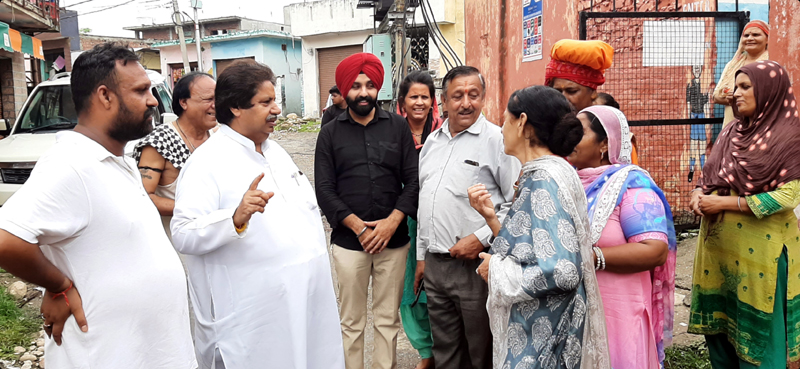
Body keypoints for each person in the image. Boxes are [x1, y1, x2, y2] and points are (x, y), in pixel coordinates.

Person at [0, 42, 196, 368]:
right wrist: (59, 286)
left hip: (150, 354)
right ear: (105, 96)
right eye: (141, 90)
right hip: (107, 355)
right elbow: (6, 239)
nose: (152, 100)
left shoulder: (118, 160)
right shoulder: (71, 164)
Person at [171, 60, 344, 369]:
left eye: (275, 100)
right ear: (236, 107)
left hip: (304, 310)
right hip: (252, 326)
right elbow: (183, 232)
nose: (276, 109)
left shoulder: (275, 151)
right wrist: (233, 219)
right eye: (266, 102)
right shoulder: (207, 162)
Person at [467, 85, 610, 369]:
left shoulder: (544, 178)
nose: (502, 129)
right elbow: (536, 249)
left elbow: (563, 271)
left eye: (505, 120)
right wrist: (492, 220)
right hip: (544, 326)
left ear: (521, 123)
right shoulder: (553, 171)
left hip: (544, 334)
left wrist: (496, 270)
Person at [689, 61, 800, 368]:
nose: (735, 93)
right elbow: (708, 177)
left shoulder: (789, 137)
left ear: (768, 91)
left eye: (745, 87)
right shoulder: (730, 133)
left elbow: (790, 196)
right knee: (722, 339)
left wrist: (724, 205)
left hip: (761, 257)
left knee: (759, 341)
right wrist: (698, 193)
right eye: (736, 86)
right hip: (718, 255)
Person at [315, 52, 419, 369]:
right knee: (351, 323)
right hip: (349, 244)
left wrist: (391, 224)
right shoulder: (330, 133)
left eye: (370, 85)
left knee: (387, 321)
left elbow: (413, 181)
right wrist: (359, 227)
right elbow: (324, 190)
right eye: (357, 85)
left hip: (394, 242)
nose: (363, 92)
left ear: (378, 89)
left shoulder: (398, 128)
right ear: (345, 89)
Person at [415, 66, 521, 369]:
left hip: (477, 266)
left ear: (483, 98)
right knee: (445, 348)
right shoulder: (431, 143)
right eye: (457, 96)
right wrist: (423, 256)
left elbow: (515, 203)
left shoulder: (498, 141)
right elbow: (426, 202)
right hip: (436, 265)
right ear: (443, 101)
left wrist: (480, 238)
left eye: (473, 95)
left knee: (481, 348)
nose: (466, 103)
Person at [568, 105, 676, 368]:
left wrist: (592, 258)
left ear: (604, 143)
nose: (569, 140)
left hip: (619, 313)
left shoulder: (633, 185)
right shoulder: (568, 181)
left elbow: (655, 250)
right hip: (576, 309)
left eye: (578, 133)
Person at [396, 70, 443, 369]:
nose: (419, 102)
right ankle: (425, 350)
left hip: (437, 219)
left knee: (435, 286)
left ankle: (441, 347)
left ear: (432, 100)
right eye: (413, 96)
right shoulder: (392, 132)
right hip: (403, 219)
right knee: (408, 286)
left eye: (425, 96)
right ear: (402, 101)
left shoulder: (444, 134)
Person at [134, 72, 217, 237]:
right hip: (176, 245)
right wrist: (193, 210)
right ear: (184, 102)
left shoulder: (219, 137)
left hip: (215, 240)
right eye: (208, 100)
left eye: (218, 99)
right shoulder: (160, 142)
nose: (216, 105)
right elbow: (143, 198)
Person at [712, 20, 769, 127]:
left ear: (767, 39)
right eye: (746, 35)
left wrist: (742, 96)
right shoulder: (733, 65)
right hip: (732, 125)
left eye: (756, 35)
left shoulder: (771, 63)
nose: (750, 38)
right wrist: (729, 99)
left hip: (760, 125)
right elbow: (716, 96)